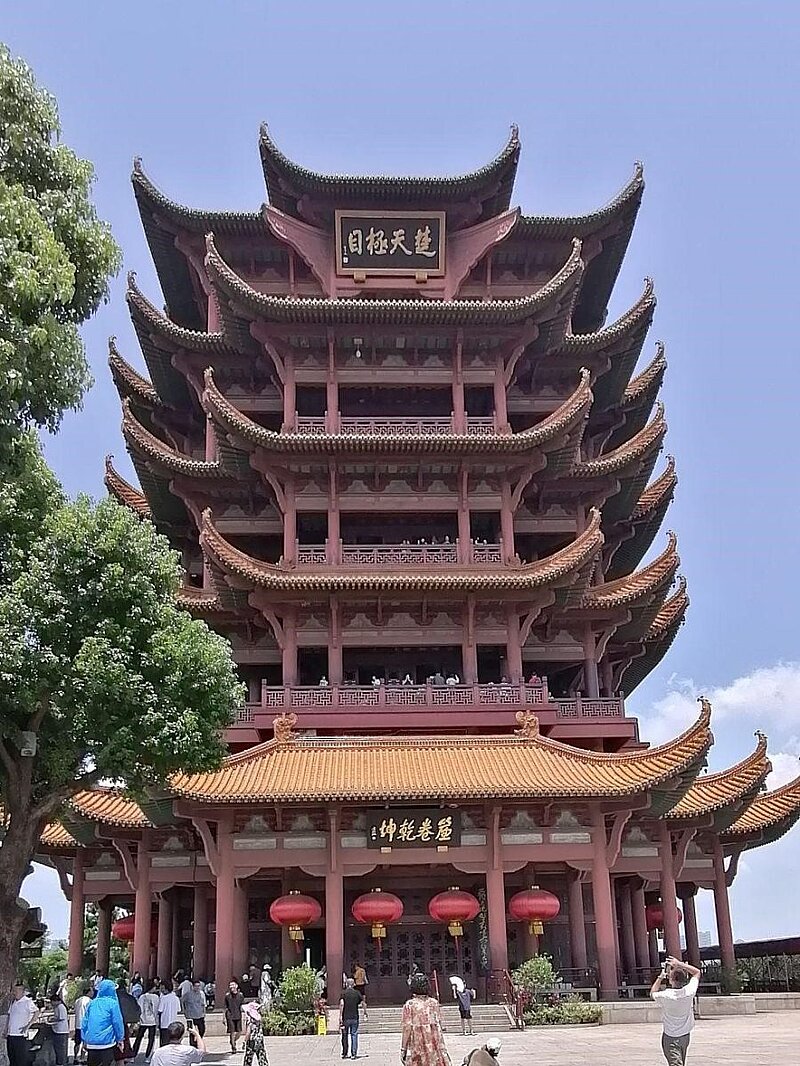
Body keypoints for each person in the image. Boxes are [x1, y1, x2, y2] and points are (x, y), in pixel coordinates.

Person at [650, 955, 702, 1066]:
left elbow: (652, 993)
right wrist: (679, 964)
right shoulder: (689, 992)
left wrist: (660, 977)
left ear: (671, 980)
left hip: (670, 1036)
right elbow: (697, 972)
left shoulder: (666, 995)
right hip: (685, 1035)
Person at [400, 972, 449, 1066]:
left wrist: (403, 1049)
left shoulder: (410, 1005)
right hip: (434, 1043)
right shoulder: (434, 1003)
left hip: (418, 1043)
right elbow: (439, 1024)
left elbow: (407, 1028)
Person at [81, 978, 125, 1066]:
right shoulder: (113, 1003)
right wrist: (120, 1039)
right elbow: (117, 1023)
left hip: (91, 1043)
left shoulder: (92, 1003)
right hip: (107, 1043)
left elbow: (84, 1023)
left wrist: (84, 1039)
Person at [7, 983, 37, 1066]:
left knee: (20, 1059)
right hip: (11, 1034)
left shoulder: (27, 1001)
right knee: (12, 1059)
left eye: (17, 990)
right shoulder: (13, 1002)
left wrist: (28, 1025)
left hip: (20, 1035)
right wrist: (6, 1030)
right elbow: (10, 1016)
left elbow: (36, 1012)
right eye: (14, 990)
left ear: (22, 991)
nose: (15, 992)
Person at [132, 979, 160, 1061]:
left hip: (143, 1020)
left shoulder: (142, 996)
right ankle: (148, 1056)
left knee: (139, 1038)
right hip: (152, 1021)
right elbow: (156, 1010)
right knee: (151, 1039)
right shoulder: (155, 997)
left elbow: (139, 1008)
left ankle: (133, 1055)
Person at [338, 977, 362, 1060]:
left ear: (346, 984)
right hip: (355, 1017)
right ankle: (353, 1053)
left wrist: (340, 1016)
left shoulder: (343, 993)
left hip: (346, 1017)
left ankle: (345, 1053)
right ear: (353, 984)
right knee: (354, 1034)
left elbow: (341, 1004)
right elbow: (362, 1003)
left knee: (344, 1035)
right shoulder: (357, 993)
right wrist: (365, 1012)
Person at [241, 1001, 269, 1066]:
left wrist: (244, 1041)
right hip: (260, 1040)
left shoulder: (250, 1020)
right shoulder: (258, 1018)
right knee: (261, 1056)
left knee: (248, 1058)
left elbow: (248, 1032)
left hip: (252, 1041)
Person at [49, 990, 70, 1066]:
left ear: (55, 1001)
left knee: (60, 1048)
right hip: (58, 1030)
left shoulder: (61, 1007)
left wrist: (53, 1020)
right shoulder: (57, 1007)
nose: (51, 1004)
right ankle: (60, 1061)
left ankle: (61, 1062)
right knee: (58, 1048)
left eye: (52, 1002)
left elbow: (61, 1018)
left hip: (61, 1031)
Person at [223, 980, 244, 1054]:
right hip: (230, 1015)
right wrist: (223, 1017)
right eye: (230, 985)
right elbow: (225, 1007)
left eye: (233, 985)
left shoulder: (240, 995)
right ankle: (233, 1047)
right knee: (232, 1031)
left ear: (236, 986)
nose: (231, 987)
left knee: (239, 1031)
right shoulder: (227, 996)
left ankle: (233, 1040)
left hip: (238, 1015)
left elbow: (242, 1005)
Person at [73, 985, 92, 1064]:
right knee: (85, 1042)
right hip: (86, 1024)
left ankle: (75, 1057)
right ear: (88, 992)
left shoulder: (77, 1000)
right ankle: (82, 1058)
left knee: (77, 1042)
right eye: (91, 991)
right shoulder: (89, 1001)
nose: (92, 993)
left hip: (77, 1023)